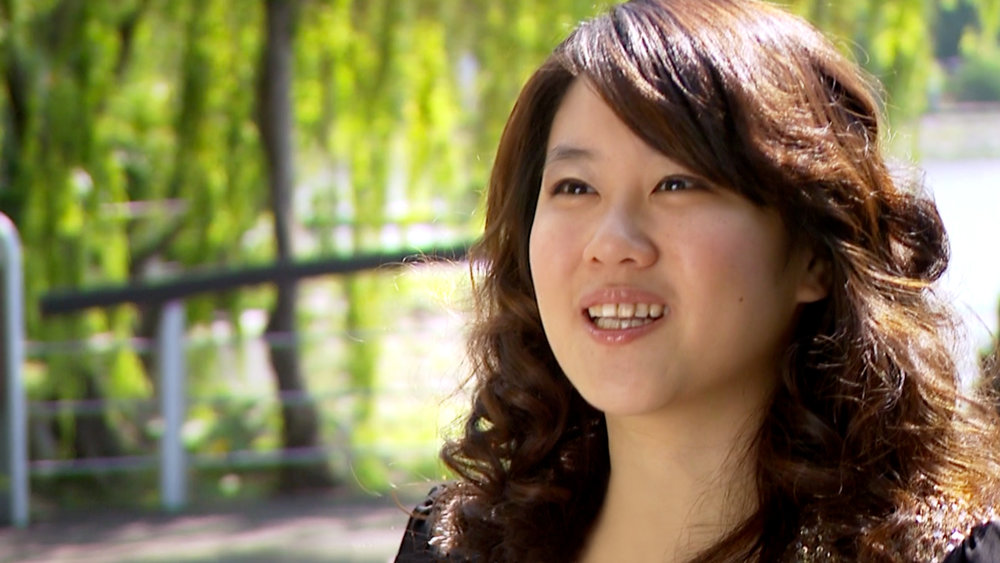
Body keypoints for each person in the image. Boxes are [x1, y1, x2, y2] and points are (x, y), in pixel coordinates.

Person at [395, 0, 1000, 561]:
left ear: (815, 255)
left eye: (677, 184)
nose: (611, 243)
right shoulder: (456, 547)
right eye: (575, 188)